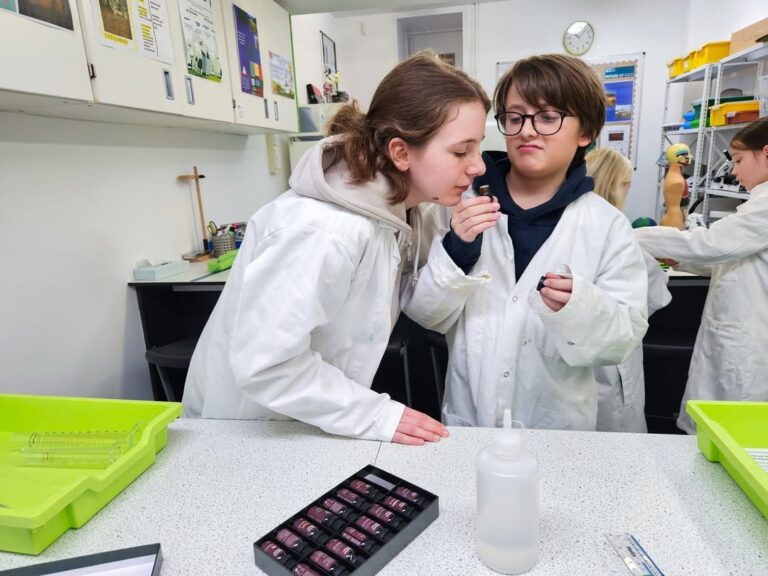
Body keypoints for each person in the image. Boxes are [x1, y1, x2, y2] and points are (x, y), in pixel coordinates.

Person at [182, 51, 490, 444]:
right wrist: (375, 414)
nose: (478, 166)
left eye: (477, 148)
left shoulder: (405, 211)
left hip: (308, 422)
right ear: (400, 152)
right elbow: (267, 365)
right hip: (251, 430)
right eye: (461, 151)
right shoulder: (322, 230)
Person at [402, 54, 649, 430]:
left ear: (585, 132)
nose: (526, 131)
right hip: (471, 420)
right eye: (514, 117)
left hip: (556, 428)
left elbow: (621, 342)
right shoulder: (455, 203)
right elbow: (425, 316)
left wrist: (578, 306)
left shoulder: (606, 226)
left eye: (548, 117)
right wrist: (458, 251)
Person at [635, 118, 768, 434]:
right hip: (740, 333)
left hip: (751, 342)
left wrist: (631, 236)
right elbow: (733, 260)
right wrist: (678, 259)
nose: (734, 172)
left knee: (734, 431)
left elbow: (711, 245)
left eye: (738, 161)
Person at [585, 148, 672, 433]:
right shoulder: (617, 226)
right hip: (611, 358)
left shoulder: (570, 220)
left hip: (578, 353)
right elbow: (654, 295)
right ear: (618, 184)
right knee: (614, 430)